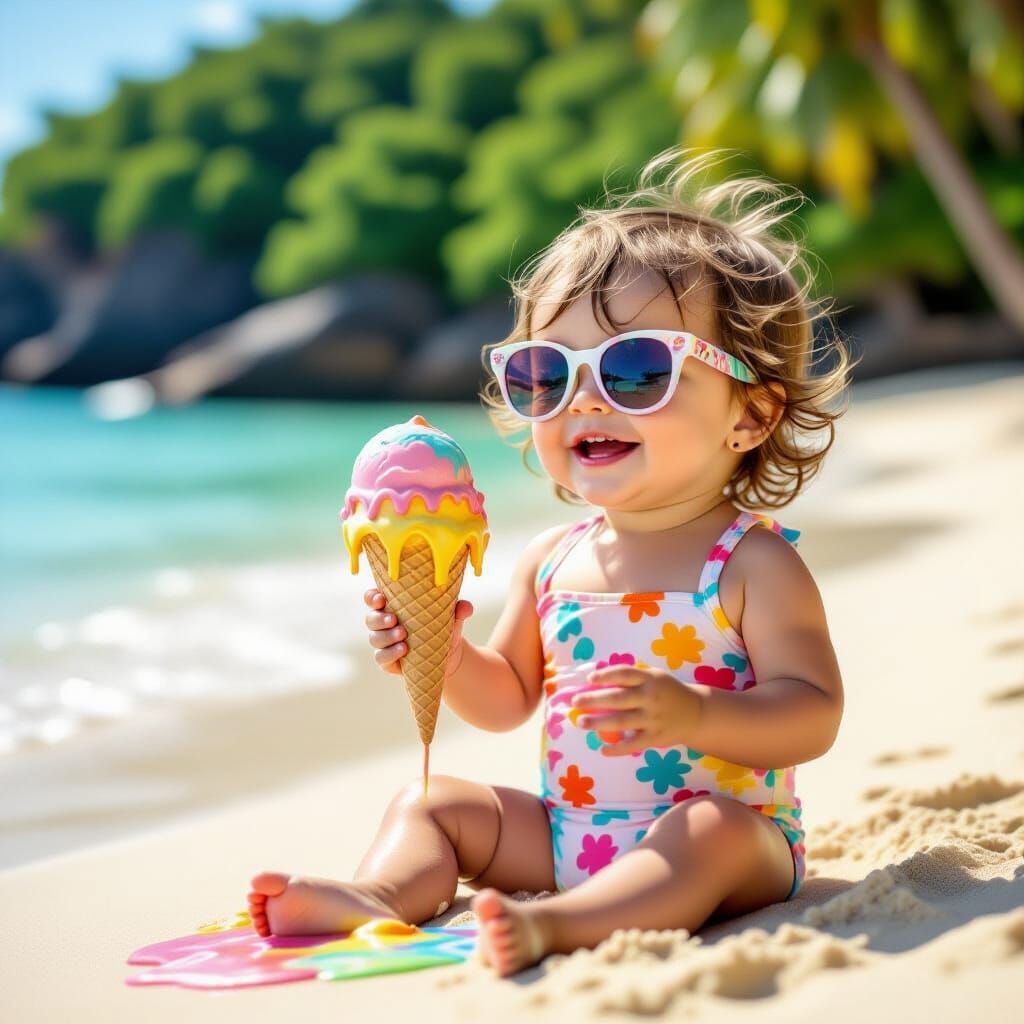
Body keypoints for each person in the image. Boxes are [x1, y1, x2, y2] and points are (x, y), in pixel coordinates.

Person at [247, 147, 854, 977]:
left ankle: (563, 926)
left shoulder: (749, 564)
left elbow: (814, 714)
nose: (585, 400)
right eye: (546, 373)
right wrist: (444, 654)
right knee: (434, 802)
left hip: (733, 845)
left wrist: (697, 718)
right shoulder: (552, 559)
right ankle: (383, 896)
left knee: (702, 831)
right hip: (568, 834)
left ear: (748, 415)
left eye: (637, 370)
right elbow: (508, 700)